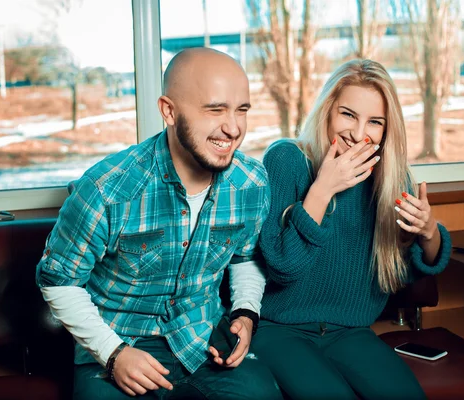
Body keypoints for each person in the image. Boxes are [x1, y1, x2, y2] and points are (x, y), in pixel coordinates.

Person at [36, 48, 282, 400]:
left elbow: (245, 257)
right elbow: (58, 281)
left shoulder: (252, 181)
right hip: (115, 344)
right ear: (169, 110)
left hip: (203, 340)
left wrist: (245, 313)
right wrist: (113, 354)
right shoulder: (107, 188)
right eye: (215, 109)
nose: (233, 128)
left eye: (241, 110)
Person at [250, 59, 452, 400]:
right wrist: (322, 190)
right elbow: (282, 268)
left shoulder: (391, 179)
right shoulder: (286, 160)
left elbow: (401, 272)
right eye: (348, 115)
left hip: (350, 331)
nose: (359, 134)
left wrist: (428, 231)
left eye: (375, 122)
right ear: (327, 111)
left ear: (388, 129)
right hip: (278, 329)